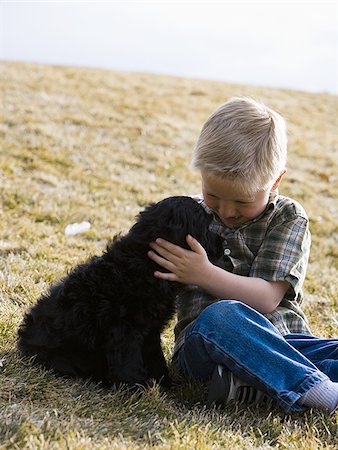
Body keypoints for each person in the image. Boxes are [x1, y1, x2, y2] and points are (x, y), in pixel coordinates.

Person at [147, 96, 338, 413]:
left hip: (285, 345)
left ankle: (250, 388)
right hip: (206, 343)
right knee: (224, 314)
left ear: (275, 181)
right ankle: (323, 395)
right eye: (214, 195)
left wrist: (203, 274)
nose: (226, 211)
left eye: (242, 201)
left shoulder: (288, 217)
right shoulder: (188, 216)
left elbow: (266, 299)